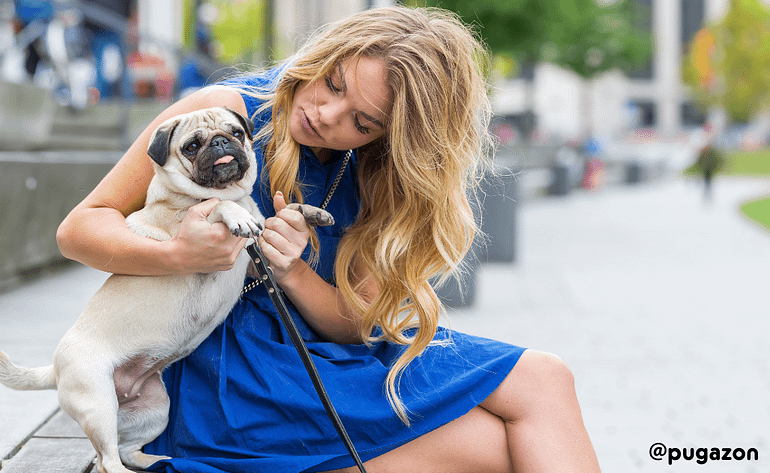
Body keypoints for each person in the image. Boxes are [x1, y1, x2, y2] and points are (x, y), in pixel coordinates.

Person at [57, 6, 601, 473]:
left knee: (545, 378)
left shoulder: (379, 174)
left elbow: (353, 323)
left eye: (361, 122)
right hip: (226, 377)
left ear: (392, 138)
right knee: (506, 446)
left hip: (326, 361)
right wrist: (174, 255)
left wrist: (292, 272)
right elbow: (79, 228)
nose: (325, 114)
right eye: (333, 84)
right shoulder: (228, 114)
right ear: (326, 56)